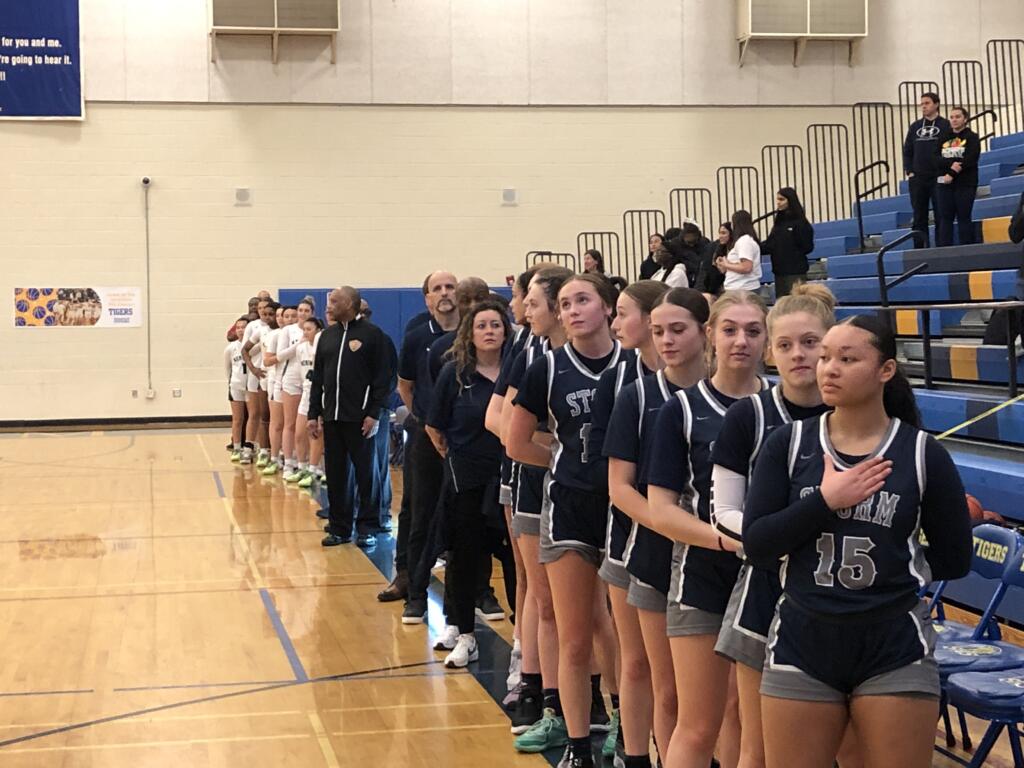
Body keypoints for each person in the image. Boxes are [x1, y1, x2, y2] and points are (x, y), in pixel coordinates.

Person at [743, 314, 972, 768]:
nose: (828, 368)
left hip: (893, 643)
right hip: (802, 639)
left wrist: (896, 571)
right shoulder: (787, 444)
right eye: (825, 356)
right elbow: (757, 544)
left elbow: (955, 558)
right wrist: (826, 501)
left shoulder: (923, 453)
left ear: (885, 370)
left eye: (847, 359)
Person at [710, 284, 847, 768]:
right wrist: (786, 532)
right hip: (767, 588)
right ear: (770, 352)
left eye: (810, 343)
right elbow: (723, 512)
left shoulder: (860, 414)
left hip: (846, 593)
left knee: (847, 747)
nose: (799, 355)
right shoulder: (750, 415)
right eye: (785, 345)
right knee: (759, 745)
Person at [646, 290, 769, 768]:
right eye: (730, 330)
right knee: (699, 722)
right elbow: (661, 509)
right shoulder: (680, 409)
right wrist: (725, 539)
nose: (741, 340)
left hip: (766, 577)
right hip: (702, 570)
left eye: (753, 331)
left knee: (751, 723)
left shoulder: (783, 409)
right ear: (711, 335)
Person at [508, 274, 624, 768]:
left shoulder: (637, 366)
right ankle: (579, 745)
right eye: (565, 303)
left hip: (625, 511)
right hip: (571, 507)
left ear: (607, 308)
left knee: (622, 634)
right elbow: (515, 441)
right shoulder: (547, 368)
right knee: (576, 635)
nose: (573, 310)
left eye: (583, 300)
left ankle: (624, 726)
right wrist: (560, 460)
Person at [607, 288, 710, 768]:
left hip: (721, 557)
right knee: (664, 686)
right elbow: (620, 488)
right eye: (659, 331)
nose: (666, 340)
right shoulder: (637, 397)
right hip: (652, 549)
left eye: (677, 330)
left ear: (703, 332)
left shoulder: (738, 395)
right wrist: (672, 526)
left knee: (723, 700)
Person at [590, 280, 669, 766]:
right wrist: (663, 520)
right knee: (637, 660)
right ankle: (633, 750)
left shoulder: (706, 384)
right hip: (630, 536)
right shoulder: (619, 385)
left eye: (622, 313)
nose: (616, 323)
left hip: (695, 549)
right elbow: (613, 479)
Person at [500, 267, 573, 749]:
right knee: (543, 597)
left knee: (586, 616)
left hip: (581, 496)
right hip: (533, 484)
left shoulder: (611, 361)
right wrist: (559, 454)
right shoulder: (531, 353)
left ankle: (590, 709)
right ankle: (539, 689)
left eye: (531, 301)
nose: (524, 309)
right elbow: (504, 425)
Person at [426, 300, 510, 668]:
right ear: (470, 334)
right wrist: (458, 458)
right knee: (464, 558)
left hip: (510, 477)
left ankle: (523, 643)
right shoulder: (455, 374)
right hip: (466, 478)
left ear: (506, 330)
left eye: (496, 324)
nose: (489, 331)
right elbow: (434, 426)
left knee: (513, 561)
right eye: (482, 326)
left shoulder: (520, 372)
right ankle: (464, 633)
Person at [398, 272, 463, 618]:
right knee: (421, 514)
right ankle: (415, 591)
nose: (444, 293)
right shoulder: (417, 334)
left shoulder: (473, 332)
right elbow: (405, 384)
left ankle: (474, 595)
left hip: (466, 441)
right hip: (426, 437)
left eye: (450, 287)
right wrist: (425, 420)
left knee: (466, 520)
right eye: (436, 289)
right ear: (426, 298)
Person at [307, 287, 392, 548]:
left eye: (334, 301)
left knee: (367, 474)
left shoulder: (374, 336)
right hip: (333, 418)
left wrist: (373, 413)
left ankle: (368, 527)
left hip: (361, 420)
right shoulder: (327, 337)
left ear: (351, 304)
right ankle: (340, 527)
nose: (328, 305)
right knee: (336, 474)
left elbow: (384, 379)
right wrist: (314, 413)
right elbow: (318, 377)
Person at [903, 92, 951, 249]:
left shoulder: (945, 125)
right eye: (922, 103)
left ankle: (941, 248)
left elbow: (952, 149)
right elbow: (907, 150)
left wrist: (946, 171)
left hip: (938, 176)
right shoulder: (915, 126)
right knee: (919, 216)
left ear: (936, 104)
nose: (924, 106)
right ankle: (919, 249)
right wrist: (910, 171)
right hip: (918, 178)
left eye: (927, 103)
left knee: (941, 214)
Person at [936, 106, 981, 248]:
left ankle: (966, 249)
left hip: (965, 183)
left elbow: (970, 158)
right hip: (945, 184)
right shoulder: (943, 138)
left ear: (965, 119)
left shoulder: (972, 137)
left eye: (958, 117)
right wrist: (951, 167)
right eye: (952, 117)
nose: (954, 120)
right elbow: (935, 158)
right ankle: (944, 250)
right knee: (945, 218)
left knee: (964, 217)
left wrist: (952, 172)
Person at [282, 299, 315, 481]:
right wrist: (299, 344)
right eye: (300, 310)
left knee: (311, 425)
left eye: (306, 310)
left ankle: (311, 464)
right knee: (291, 423)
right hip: (292, 378)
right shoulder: (288, 331)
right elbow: (278, 356)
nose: (302, 313)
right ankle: (289, 462)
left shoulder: (318, 334)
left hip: (310, 382)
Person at [241, 299, 276, 465]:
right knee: (263, 415)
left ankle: (279, 453)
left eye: (271, 314)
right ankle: (262, 450)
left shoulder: (287, 331)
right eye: (265, 313)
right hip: (263, 376)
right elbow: (244, 349)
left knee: (279, 418)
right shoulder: (259, 330)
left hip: (280, 378)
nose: (267, 316)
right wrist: (254, 369)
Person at [761, 188, 815, 297]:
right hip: (779, 271)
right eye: (777, 199)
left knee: (796, 303)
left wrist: (791, 252)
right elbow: (770, 245)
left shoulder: (800, 222)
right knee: (783, 304)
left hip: (795, 271)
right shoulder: (779, 224)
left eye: (782, 199)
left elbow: (807, 246)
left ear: (790, 200)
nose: (778, 202)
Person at [294, 316, 324, 487]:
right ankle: (303, 466)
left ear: (318, 331)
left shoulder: (322, 347)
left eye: (309, 329)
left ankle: (313, 469)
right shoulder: (301, 349)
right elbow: (300, 371)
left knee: (317, 433)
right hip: (306, 393)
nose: (305, 332)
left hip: (319, 393)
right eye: (304, 329)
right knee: (299, 433)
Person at [718, 211, 763, 292]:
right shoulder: (745, 241)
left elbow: (746, 267)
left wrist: (726, 264)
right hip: (739, 287)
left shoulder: (744, 241)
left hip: (742, 288)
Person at [225, 315, 249, 461]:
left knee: (254, 418)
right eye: (238, 327)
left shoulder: (254, 346)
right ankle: (237, 447)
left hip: (251, 387)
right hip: (236, 385)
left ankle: (252, 447)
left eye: (243, 327)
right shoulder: (230, 348)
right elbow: (227, 369)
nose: (240, 330)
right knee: (237, 419)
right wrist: (231, 382)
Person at [695, 223, 730, 300]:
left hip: (730, 286)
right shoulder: (713, 248)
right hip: (714, 286)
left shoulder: (736, 249)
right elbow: (705, 271)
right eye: (720, 233)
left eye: (724, 233)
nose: (720, 236)